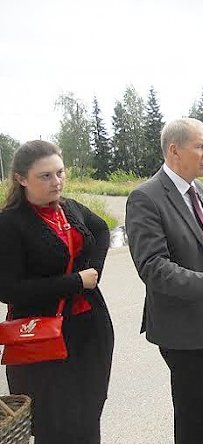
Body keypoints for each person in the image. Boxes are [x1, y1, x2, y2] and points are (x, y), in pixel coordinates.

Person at [125, 118, 203, 444]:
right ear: (174, 150)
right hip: (184, 322)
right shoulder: (146, 197)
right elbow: (152, 266)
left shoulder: (200, 189)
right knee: (193, 410)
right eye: (201, 146)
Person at [0, 140, 114, 443]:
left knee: (89, 413)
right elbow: (9, 289)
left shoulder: (70, 208)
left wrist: (94, 270)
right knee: (53, 424)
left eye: (60, 173)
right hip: (39, 339)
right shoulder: (9, 224)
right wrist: (76, 281)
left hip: (89, 331)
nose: (57, 181)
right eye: (45, 176)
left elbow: (102, 229)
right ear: (21, 179)